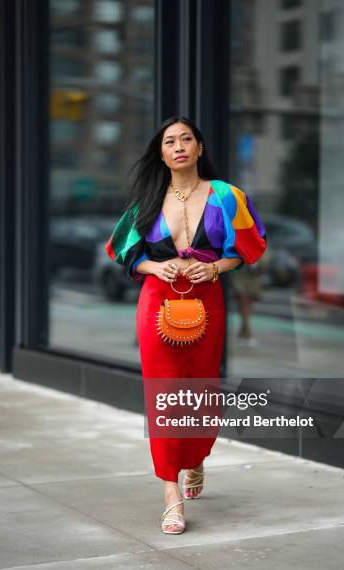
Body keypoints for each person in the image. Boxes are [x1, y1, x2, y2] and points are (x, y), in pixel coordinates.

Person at [105, 116, 267, 534]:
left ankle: (195, 457)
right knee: (164, 396)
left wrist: (215, 271)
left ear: (199, 147)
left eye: (186, 139)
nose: (178, 146)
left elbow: (248, 249)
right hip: (157, 302)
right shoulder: (147, 198)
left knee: (199, 390)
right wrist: (155, 266)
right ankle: (171, 494)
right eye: (169, 141)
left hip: (206, 301)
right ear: (160, 153)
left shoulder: (227, 196)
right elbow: (122, 250)